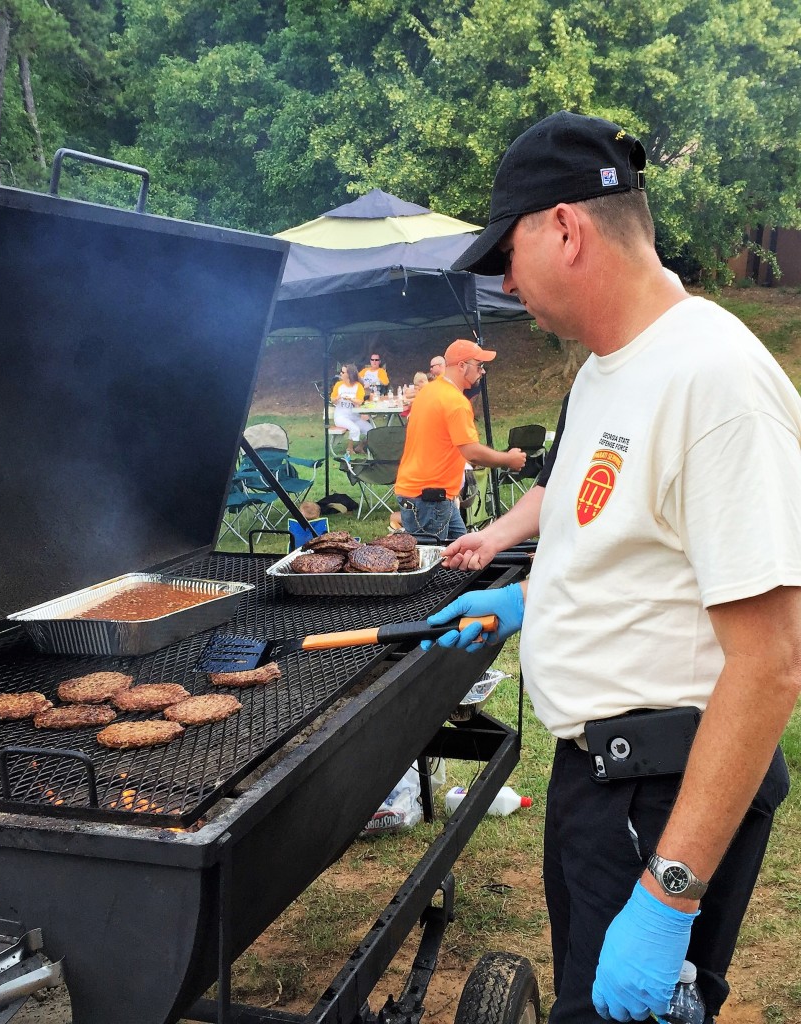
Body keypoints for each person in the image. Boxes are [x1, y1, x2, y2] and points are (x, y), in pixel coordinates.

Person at [427, 110, 801, 1024]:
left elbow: (773, 660)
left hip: (663, 788)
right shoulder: (602, 371)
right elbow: (604, 528)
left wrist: (670, 894)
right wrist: (528, 598)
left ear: (567, 227)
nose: (504, 283)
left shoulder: (714, 380)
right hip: (598, 779)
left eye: (504, 254)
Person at [394, 337, 526, 542]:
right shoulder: (455, 402)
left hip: (426, 494)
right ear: (462, 366)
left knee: (462, 554)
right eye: (480, 365)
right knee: (435, 567)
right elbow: (471, 452)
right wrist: (509, 460)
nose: (483, 371)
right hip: (429, 499)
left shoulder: (429, 390)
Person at [329, 362, 370, 457]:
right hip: (341, 416)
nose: (340, 374)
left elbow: (359, 401)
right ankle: (349, 449)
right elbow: (332, 400)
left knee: (370, 430)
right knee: (354, 428)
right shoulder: (338, 385)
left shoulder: (358, 386)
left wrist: (350, 399)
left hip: (354, 416)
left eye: (343, 372)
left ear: (349, 374)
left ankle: (360, 446)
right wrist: (337, 398)